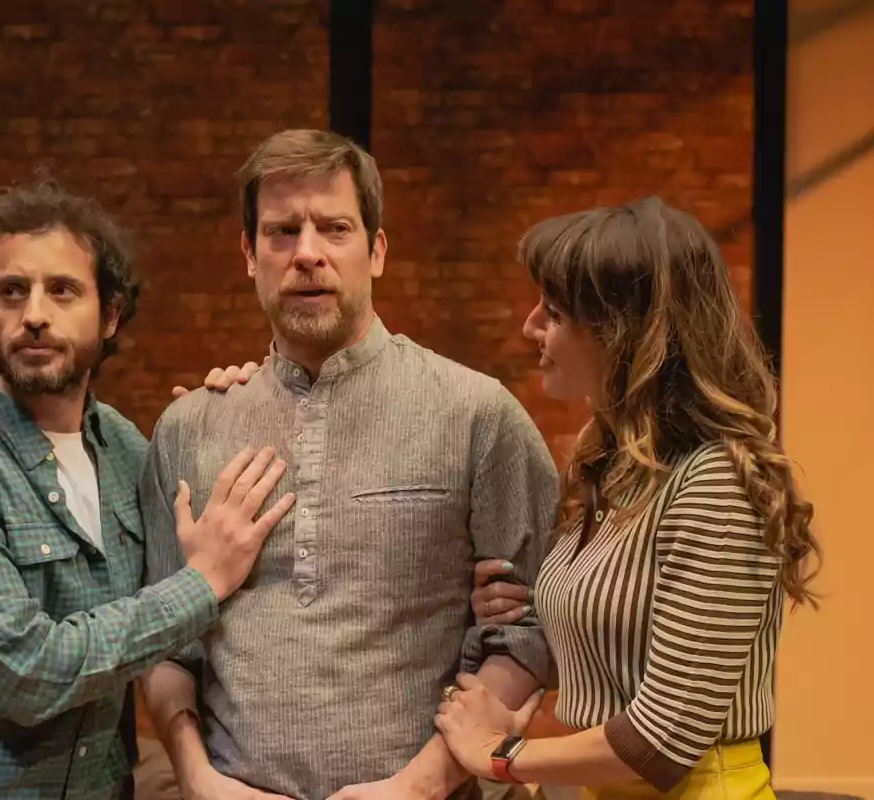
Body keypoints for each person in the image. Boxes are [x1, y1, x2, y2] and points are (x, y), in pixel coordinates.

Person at [139, 128, 559, 800]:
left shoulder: (479, 416)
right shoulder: (190, 428)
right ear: (249, 254)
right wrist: (197, 779)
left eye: (334, 228)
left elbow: (528, 636)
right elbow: (161, 642)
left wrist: (418, 787)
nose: (307, 253)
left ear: (378, 250)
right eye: (281, 232)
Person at [0, 180, 295, 799]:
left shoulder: (124, 448)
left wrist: (230, 416)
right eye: (11, 291)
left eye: (62, 290)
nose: (33, 313)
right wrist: (200, 585)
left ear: (110, 314)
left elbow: (197, 574)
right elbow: (25, 675)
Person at [436, 197, 821, 798]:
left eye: (555, 312)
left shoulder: (717, 484)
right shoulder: (616, 470)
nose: (530, 326)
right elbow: (615, 666)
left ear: (627, 335)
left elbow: (660, 744)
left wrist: (502, 754)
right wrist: (527, 609)